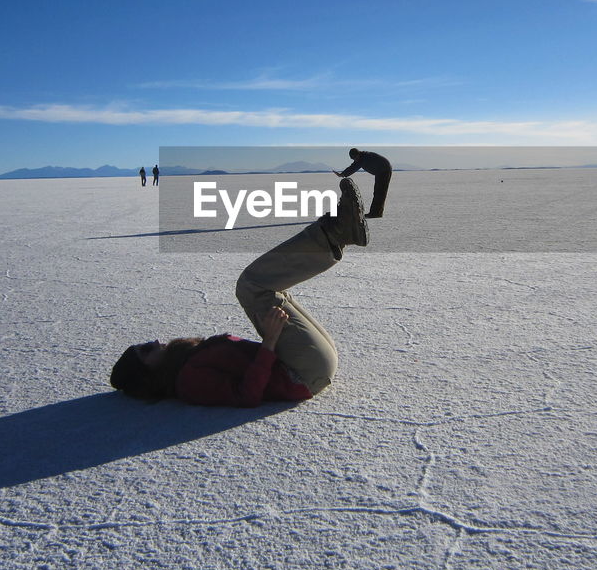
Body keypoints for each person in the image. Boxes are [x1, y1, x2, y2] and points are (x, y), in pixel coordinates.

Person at [110, 178, 368, 406]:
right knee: (252, 285)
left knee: (273, 292)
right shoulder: (188, 381)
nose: (153, 342)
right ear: (146, 373)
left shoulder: (183, 361)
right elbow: (246, 395)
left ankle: (337, 233)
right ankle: (336, 232)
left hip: (307, 364)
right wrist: (269, 342)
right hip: (302, 373)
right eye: (145, 350)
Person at [336, 147, 391, 218]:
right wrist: (342, 174)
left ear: (358, 154)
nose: (354, 160)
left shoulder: (364, 158)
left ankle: (376, 213)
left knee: (380, 192)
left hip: (384, 170)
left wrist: (343, 174)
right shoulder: (360, 158)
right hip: (380, 171)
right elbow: (353, 165)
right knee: (377, 192)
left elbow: (354, 167)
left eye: (355, 158)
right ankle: (376, 212)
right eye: (353, 159)